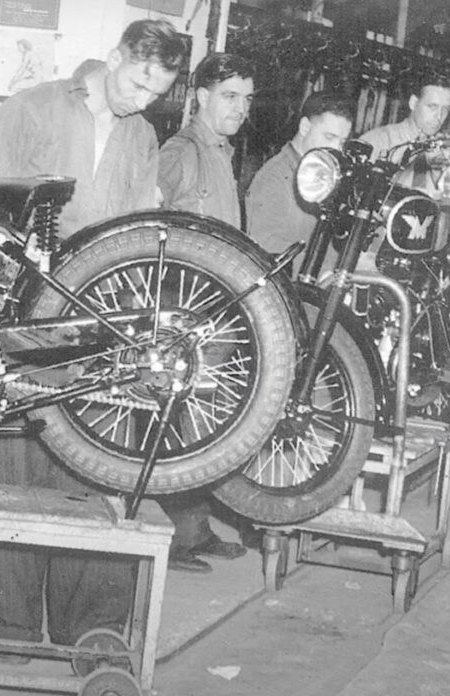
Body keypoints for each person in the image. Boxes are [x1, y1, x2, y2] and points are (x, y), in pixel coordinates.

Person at [0, 18, 188, 649]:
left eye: (157, 91)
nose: (142, 99)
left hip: (100, 320)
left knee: (96, 473)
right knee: (16, 472)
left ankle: (87, 629)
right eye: (137, 81)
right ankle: (11, 630)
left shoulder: (142, 133)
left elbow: (140, 223)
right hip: (23, 315)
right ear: (113, 57)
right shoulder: (31, 109)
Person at [156, 52, 255, 573]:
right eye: (230, 96)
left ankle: (193, 529)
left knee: (203, 425)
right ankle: (172, 537)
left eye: (246, 98)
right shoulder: (181, 152)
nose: (241, 108)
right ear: (201, 97)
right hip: (183, 311)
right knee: (177, 423)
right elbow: (150, 231)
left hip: (214, 310)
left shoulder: (221, 151)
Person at [247, 91, 355, 275]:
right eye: (329, 138)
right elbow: (267, 255)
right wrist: (338, 267)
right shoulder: (273, 178)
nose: (337, 149)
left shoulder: (324, 176)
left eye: (342, 142)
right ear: (305, 127)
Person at [360, 71, 450, 163]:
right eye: (432, 107)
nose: (439, 116)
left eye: (445, 109)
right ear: (413, 103)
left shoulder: (442, 152)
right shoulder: (377, 141)